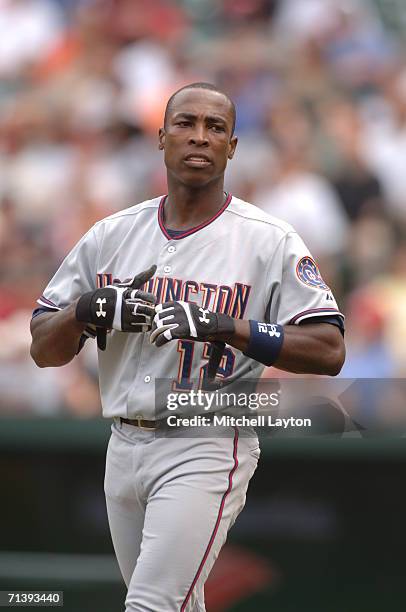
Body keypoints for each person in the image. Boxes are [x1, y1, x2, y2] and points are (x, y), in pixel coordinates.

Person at [30, 82, 345, 611]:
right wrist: (85, 312)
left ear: (232, 147)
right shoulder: (112, 234)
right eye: (186, 123)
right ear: (161, 137)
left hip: (206, 439)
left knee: (151, 605)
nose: (199, 137)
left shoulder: (267, 239)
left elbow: (329, 349)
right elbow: (43, 347)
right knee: (177, 603)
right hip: (123, 441)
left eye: (215, 127)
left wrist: (226, 326)